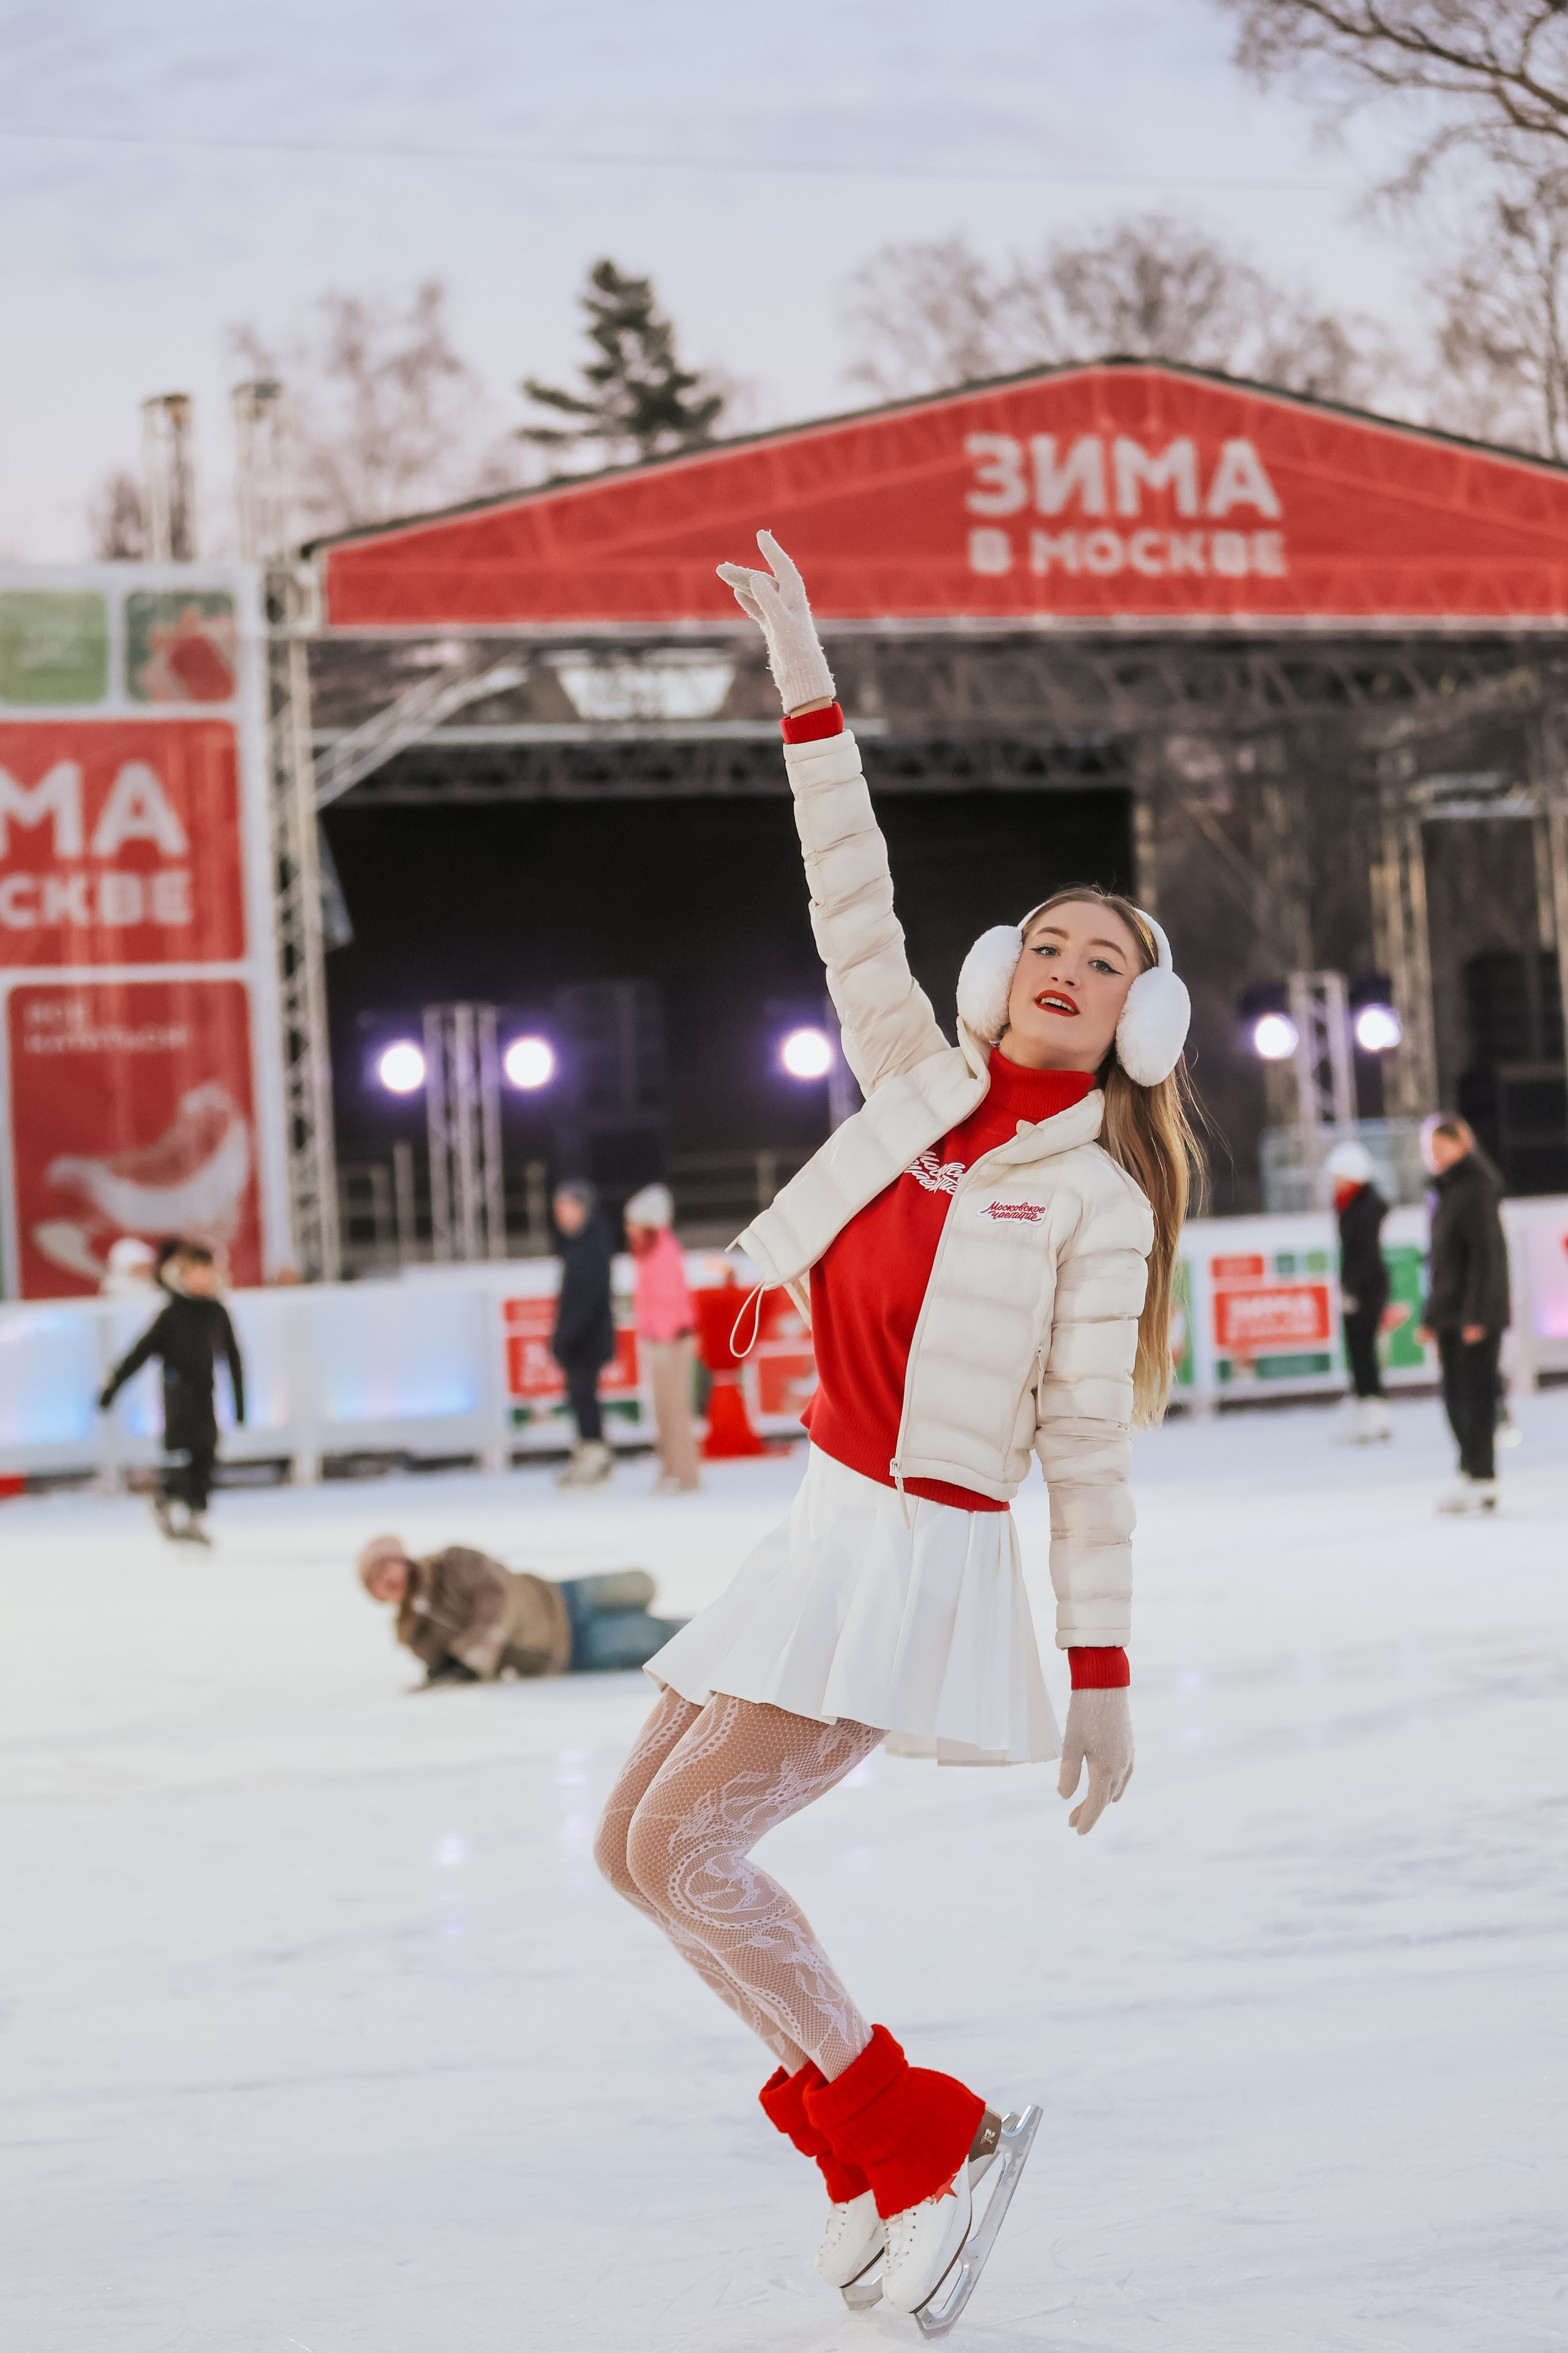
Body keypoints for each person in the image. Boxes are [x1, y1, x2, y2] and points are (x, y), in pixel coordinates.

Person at [592, 535, 1199, 2326]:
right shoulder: (914, 1085)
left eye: (1112, 958)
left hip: (915, 1556)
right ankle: (859, 2141)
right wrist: (807, 683)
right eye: (1057, 942)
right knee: (635, 1848)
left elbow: (1083, 1456)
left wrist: (1098, 1668)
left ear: (1134, 1022)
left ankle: (917, 2131)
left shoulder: (1096, 1201)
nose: (1077, 964)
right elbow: (846, 897)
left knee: (692, 1849)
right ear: (1004, 973)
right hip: (815, 1523)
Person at [355, 1536, 684, 1684]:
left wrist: (475, 1649)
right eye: (376, 1583)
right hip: (565, 1648)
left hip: (561, 1596)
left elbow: (498, 1596)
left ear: (401, 1560)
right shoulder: (415, 1636)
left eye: (386, 1568)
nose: (387, 1580)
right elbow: (456, 1670)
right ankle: (726, 1638)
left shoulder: (452, 1562)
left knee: (643, 1584)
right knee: (663, 1637)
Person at [97, 1239, 244, 1547]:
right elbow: (140, 1352)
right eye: (195, 1271)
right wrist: (112, 1387)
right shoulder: (171, 1314)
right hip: (178, 1399)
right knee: (181, 1457)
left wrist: (241, 1403)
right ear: (182, 1273)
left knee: (206, 1454)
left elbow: (233, 1357)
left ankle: (194, 1516)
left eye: (207, 1271)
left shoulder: (217, 1311)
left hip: (206, 1397)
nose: (202, 1278)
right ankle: (166, 1501)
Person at [1416, 1116, 1511, 1514]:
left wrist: (1478, 1316)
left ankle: (1483, 1476)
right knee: (1456, 1395)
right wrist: (1433, 1318)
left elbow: (1483, 1257)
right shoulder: (1449, 1188)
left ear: (1462, 1144)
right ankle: (1471, 1472)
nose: (1434, 1157)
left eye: (1441, 1148)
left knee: (1474, 1395)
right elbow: (1446, 1262)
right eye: (1430, 1150)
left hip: (1474, 1314)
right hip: (1454, 1312)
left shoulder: (1475, 1186)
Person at [624, 1182, 701, 1495]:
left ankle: (685, 1474)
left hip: (672, 1341)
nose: (628, 1228)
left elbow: (671, 1299)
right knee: (663, 1409)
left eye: (633, 1221)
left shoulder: (663, 1251)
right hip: (661, 1340)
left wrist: (661, 1338)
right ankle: (671, 1468)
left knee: (676, 1408)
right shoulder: (650, 1251)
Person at [551, 1180, 617, 1490]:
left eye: (567, 1207)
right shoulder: (578, 1242)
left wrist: (568, 1336)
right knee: (580, 1397)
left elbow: (589, 1298)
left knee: (585, 1396)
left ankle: (595, 1457)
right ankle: (590, 1454)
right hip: (579, 1338)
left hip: (587, 1339)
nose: (561, 1214)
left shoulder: (593, 1243)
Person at [1329, 1138, 1391, 1443]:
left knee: (1364, 1352)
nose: (1334, 1182)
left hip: (1366, 1288)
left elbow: (1363, 1254)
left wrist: (1351, 1289)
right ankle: (1368, 1411)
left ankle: (1374, 1415)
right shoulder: (1352, 1205)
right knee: (1359, 1352)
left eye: (1338, 1176)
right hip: (1361, 1286)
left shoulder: (1362, 1209)